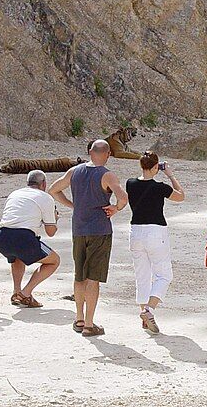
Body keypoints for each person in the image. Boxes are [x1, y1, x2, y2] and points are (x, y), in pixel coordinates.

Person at [48, 140, 128, 337]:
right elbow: (123, 198)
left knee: (79, 275)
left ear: (89, 152)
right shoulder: (107, 175)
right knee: (94, 278)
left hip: (79, 229)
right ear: (108, 154)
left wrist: (72, 205)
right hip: (99, 229)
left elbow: (53, 189)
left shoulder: (74, 172)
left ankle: (79, 318)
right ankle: (90, 324)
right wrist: (115, 209)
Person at [125, 151, 184, 334]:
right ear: (156, 167)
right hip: (155, 231)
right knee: (164, 275)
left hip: (136, 231)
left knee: (142, 275)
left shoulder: (130, 183)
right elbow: (181, 195)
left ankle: (144, 315)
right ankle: (149, 309)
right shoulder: (160, 187)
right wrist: (171, 175)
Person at [0, 170, 60, 307]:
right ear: (43, 184)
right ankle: (25, 293)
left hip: (2, 237)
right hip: (23, 238)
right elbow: (51, 232)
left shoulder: (15, 193)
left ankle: (16, 292)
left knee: (17, 257)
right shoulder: (45, 197)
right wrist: (55, 219)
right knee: (54, 261)